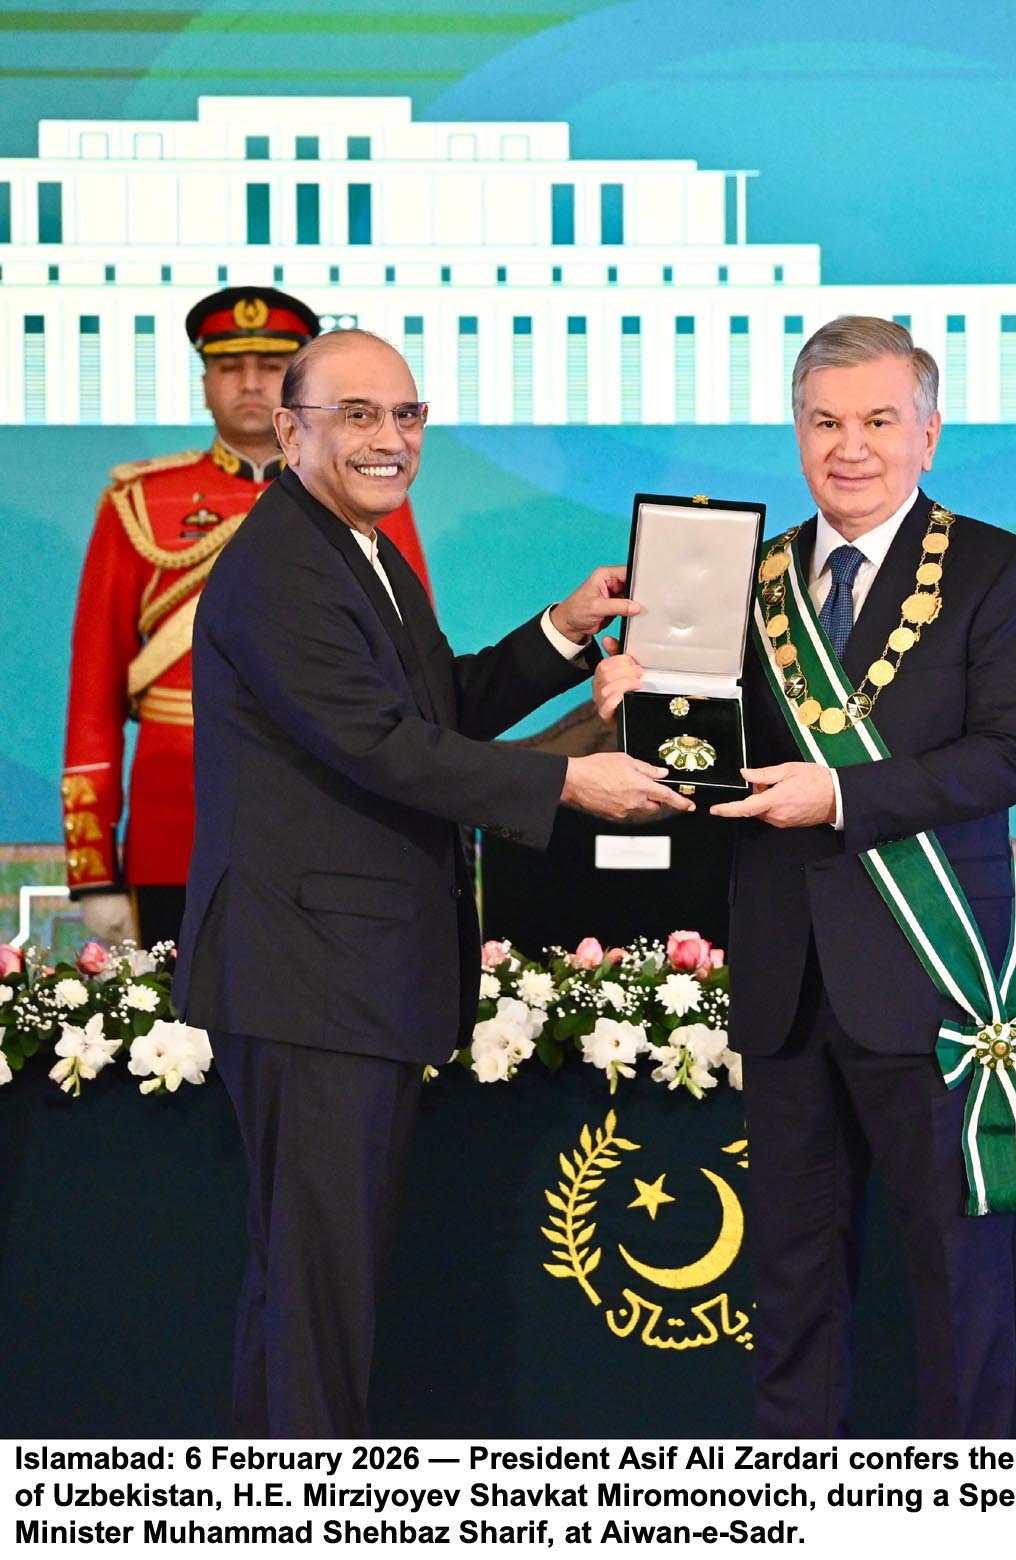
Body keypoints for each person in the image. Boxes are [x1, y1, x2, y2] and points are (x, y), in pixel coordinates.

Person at [175, 327, 693, 1437]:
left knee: (311, 1284)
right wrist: (570, 783)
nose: (390, 438)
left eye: (406, 415)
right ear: (290, 430)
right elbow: (382, 746)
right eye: (358, 414)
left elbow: (434, 708)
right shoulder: (282, 564)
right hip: (311, 981)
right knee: (318, 1292)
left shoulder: (357, 547)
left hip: (342, 977)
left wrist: (565, 631)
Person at [595, 316, 1016, 1436]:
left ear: (929, 434)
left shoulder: (997, 567)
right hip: (786, 977)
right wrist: (633, 710)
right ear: (796, 434)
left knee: (957, 1282)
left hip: (931, 981)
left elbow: (1011, 756)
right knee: (791, 1288)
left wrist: (842, 795)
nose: (851, 447)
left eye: (879, 421)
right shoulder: (742, 578)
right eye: (825, 422)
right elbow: (701, 757)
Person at [62, 289, 430, 950]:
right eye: (230, 367)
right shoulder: (139, 503)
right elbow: (94, 694)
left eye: (273, 366)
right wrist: (93, 872)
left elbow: (410, 682)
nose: (252, 383)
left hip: (336, 824)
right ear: (205, 382)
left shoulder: (374, 493)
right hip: (177, 822)